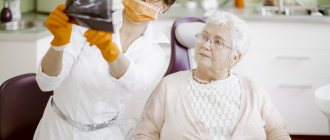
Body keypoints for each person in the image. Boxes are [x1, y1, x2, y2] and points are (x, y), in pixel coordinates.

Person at [134, 11, 291, 140]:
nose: (206, 44)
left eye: (218, 42)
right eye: (204, 36)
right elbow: (145, 134)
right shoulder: (169, 87)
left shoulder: (254, 91)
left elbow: (278, 133)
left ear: (234, 58)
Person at [33, 0, 176, 139]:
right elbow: (46, 84)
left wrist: (109, 51)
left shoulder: (155, 51)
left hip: (104, 133)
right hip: (57, 130)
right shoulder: (89, 21)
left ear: (165, 6)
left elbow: (137, 82)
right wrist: (58, 45)